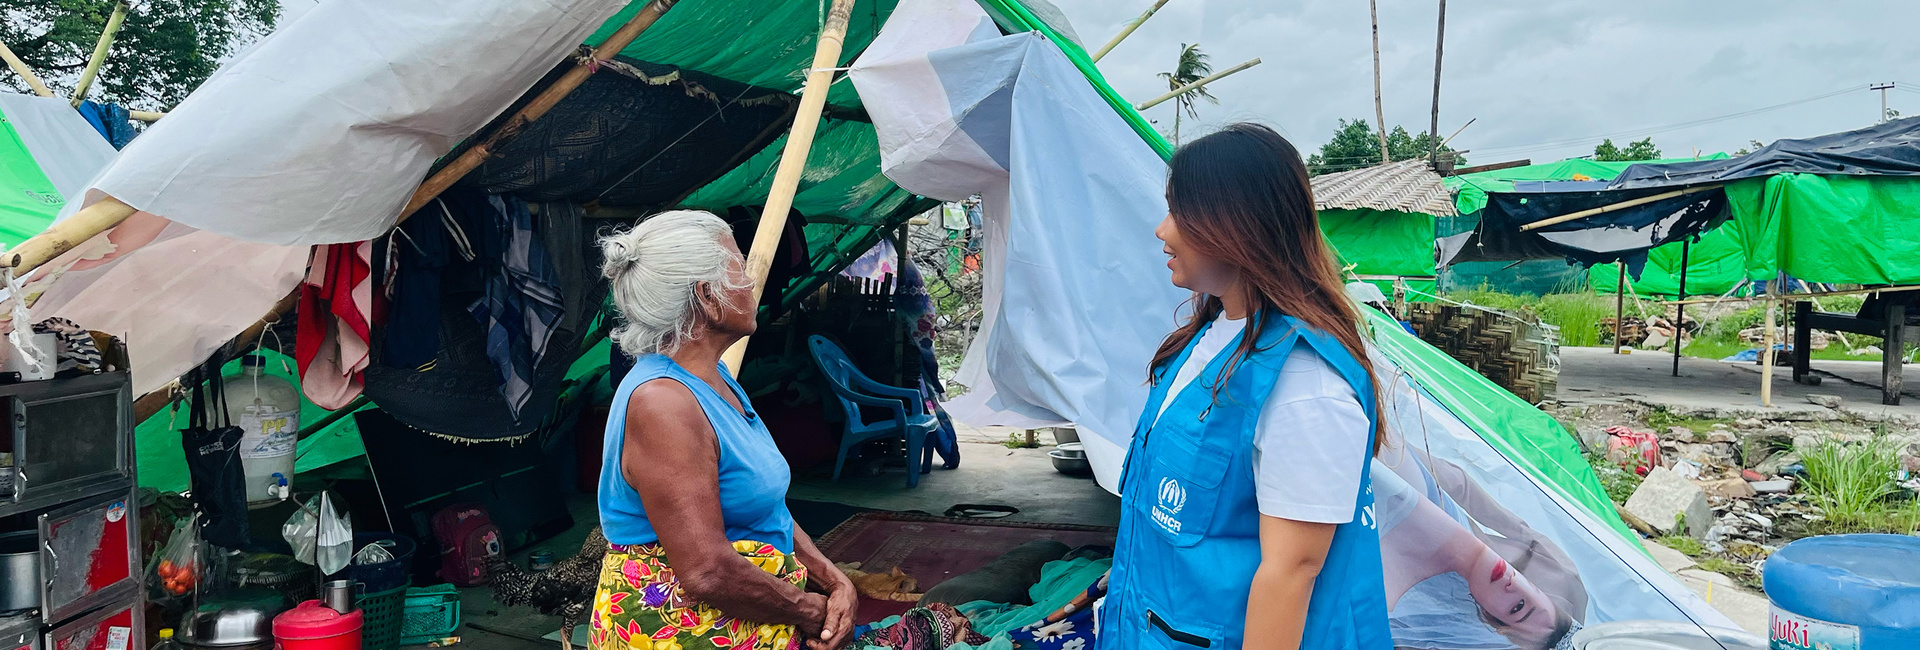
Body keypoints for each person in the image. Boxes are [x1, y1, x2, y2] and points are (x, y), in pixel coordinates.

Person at [1099, 123, 1392, 650]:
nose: (1162, 231)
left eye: (1179, 214)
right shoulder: (1211, 335)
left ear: (1234, 225)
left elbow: (1292, 572)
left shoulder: (1305, 384)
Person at [590, 210, 857, 650]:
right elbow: (707, 572)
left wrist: (832, 580)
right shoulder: (664, 404)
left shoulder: (715, 379)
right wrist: (811, 612)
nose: (751, 283)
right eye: (739, 269)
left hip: (754, 611)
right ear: (708, 297)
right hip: (688, 630)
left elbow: (763, 507)